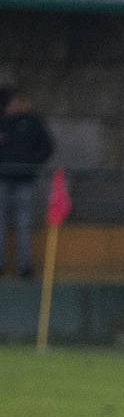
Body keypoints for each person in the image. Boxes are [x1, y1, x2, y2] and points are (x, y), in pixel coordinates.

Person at [0, 90, 54, 278]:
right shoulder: (3, 122)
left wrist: (31, 164)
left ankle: (24, 267)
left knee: (24, 222)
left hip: (24, 180)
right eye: (12, 102)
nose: (16, 105)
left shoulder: (32, 122)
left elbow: (47, 147)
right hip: (3, 180)